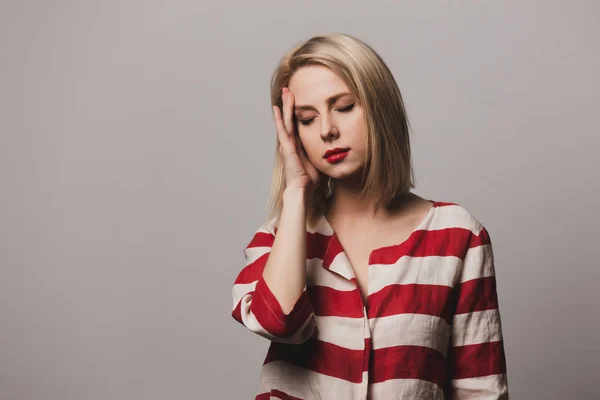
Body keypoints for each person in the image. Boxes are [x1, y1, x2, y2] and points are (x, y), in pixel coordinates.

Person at [231, 33, 509, 399]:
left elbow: (481, 390)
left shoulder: (457, 236)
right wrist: (296, 192)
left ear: (379, 107)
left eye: (344, 107)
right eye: (307, 119)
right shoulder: (278, 239)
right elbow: (279, 321)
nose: (328, 130)